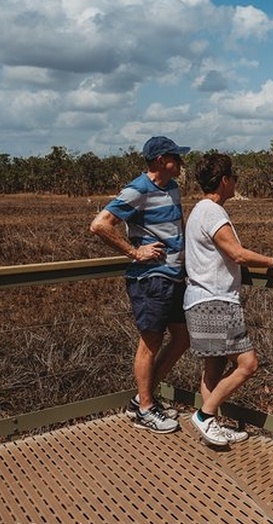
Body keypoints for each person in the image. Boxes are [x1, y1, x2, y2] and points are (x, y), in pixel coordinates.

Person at [184, 152, 273, 446]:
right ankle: (205, 416)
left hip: (199, 298)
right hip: (215, 301)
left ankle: (212, 425)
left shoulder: (198, 210)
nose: (236, 182)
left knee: (214, 368)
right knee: (248, 364)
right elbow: (237, 253)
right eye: (234, 177)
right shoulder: (213, 212)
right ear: (224, 181)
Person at [89, 136, 191, 434]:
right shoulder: (138, 189)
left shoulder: (172, 187)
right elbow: (100, 224)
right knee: (151, 342)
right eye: (176, 157)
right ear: (161, 161)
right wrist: (134, 252)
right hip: (151, 280)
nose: (181, 163)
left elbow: (178, 227)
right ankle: (145, 409)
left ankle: (142, 399)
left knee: (182, 338)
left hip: (174, 276)